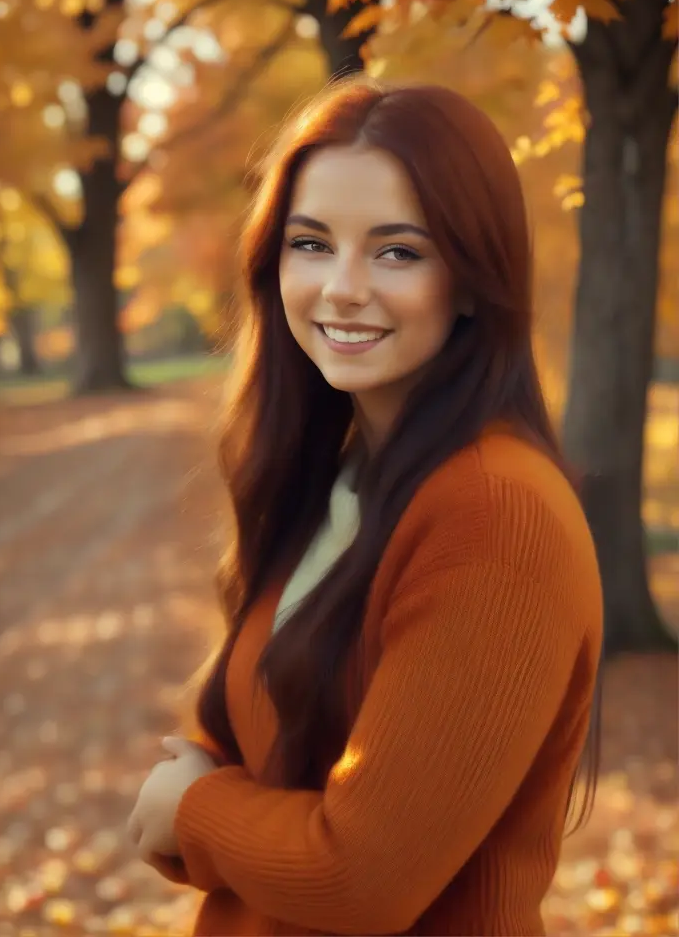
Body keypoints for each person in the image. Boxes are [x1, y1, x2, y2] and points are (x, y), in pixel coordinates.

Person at [127, 77, 603, 937]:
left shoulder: (498, 517)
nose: (342, 288)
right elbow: (239, 752)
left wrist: (197, 812)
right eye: (311, 243)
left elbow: (363, 879)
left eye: (397, 252)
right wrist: (205, 800)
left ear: (471, 280)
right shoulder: (342, 480)